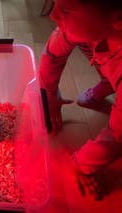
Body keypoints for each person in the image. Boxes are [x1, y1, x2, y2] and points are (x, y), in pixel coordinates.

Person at [38, 0, 122, 200]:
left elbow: (117, 137)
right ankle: (108, 83)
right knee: (92, 48)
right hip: (107, 56)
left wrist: (82, 164)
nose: (53, 16)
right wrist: (49, 95)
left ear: (117, 19)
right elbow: (52, 56)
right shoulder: (93, 25)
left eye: (66, 10)